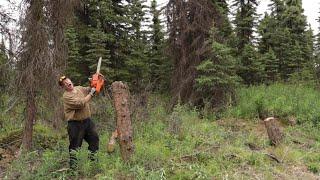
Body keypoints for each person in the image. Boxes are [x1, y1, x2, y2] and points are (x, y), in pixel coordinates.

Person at [58, 75, 99, 169]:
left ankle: (92, 164)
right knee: (75, 147)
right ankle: (73, 169)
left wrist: (94, 82)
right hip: (75, 125)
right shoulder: (66, 97)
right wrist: (91, 93)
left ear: (70, 81)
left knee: (94, 141)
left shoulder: (79, 88)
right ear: (63, 87)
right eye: (64, 84)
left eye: (68, 81)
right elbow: (80, 104)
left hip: (87, 122)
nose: (67, 83)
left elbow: (90, 89)